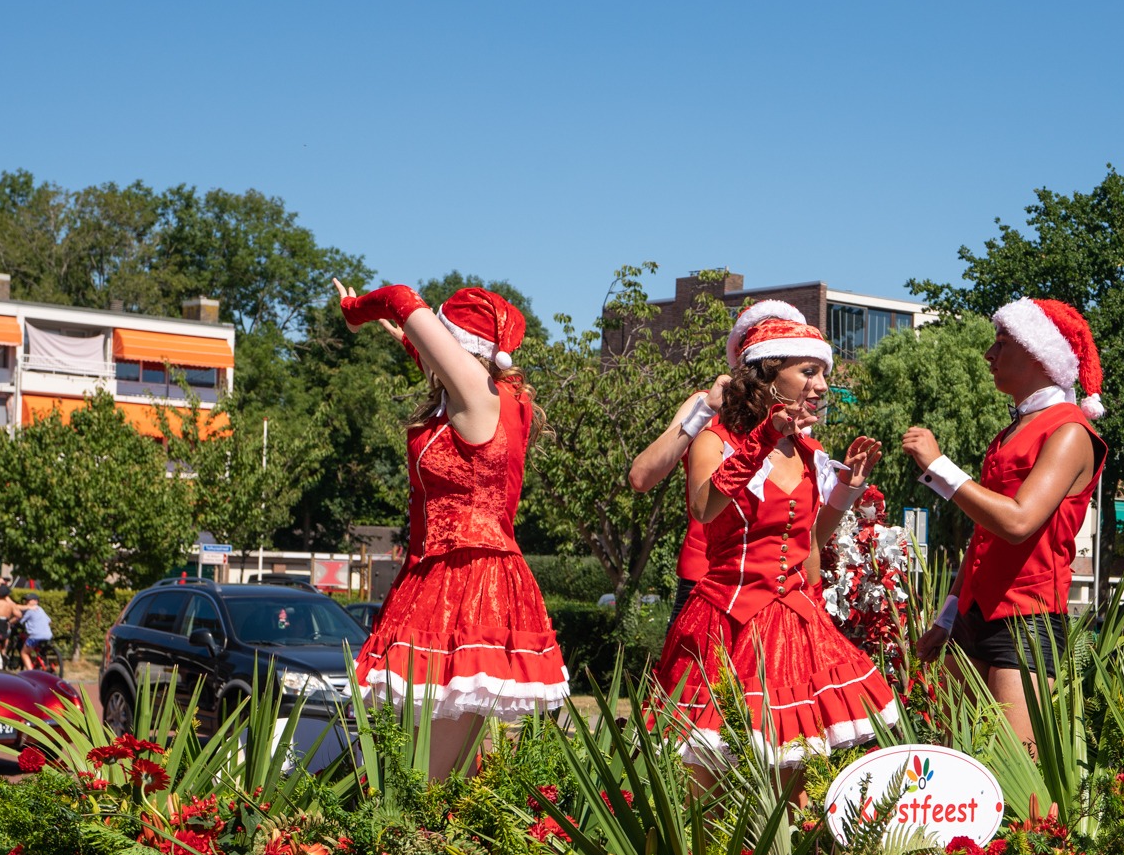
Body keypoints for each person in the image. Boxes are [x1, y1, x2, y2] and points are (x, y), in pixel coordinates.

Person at [333, 278, 571, 778]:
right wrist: (396, 332)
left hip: (464, 578)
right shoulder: (492, 396)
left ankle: (421, 853)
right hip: (441, 572)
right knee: (424, 766)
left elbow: (400, 293)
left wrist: (354, 310)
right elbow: (428, 352)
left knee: (428, 777)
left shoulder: (477, 399)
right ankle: (429, 849)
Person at [656, 313, 896, 780]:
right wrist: (764, 438)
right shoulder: (716, 439)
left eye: (822, 373)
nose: (822, 385)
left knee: (793, 780)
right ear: (767, 375)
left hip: (793, 624)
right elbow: (704, 508)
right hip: (728, 620)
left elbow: (808, 543)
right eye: (809, 371)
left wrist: (846, 489)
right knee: (707, 777)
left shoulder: (807, 450)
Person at [903, 297, 1106, 748]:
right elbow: (983, 538)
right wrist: (948, 615)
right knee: (951, 767)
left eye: (1001, 343)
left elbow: (1017, 523)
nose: (989, 355)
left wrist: (941, 467)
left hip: (1027, 619)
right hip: (973, 617)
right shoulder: (1012, 430)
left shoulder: (1069, 430)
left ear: (1039, 352)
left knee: (1017, 784)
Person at [627, 300, 807, 624]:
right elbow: (641, 477)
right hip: (707, 577)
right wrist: (704, 413)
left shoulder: (799, 426)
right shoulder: (707, 405)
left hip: (777, 591)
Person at [18, 596, 56, 670]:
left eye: (28, 600)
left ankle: (30, 672)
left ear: (36, 601)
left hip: (35, 636)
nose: (26, 602)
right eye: (26, 600)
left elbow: (20, 621)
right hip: (48, 635)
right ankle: (39, 663)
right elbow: (49, 621)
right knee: (37, 649)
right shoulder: (40, 609)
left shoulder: (29, 611)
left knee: (24, 653)